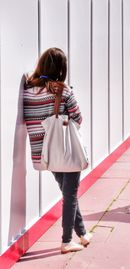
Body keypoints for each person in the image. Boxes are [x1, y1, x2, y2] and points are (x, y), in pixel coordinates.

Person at [23, 47, 93, 254]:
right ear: (62, 69)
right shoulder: (63, 90)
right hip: (65, 150)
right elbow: (78, 118)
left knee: (67, 192)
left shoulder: (28, 90)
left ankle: (83, 234)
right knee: (70, 194)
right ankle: (66, 241)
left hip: (44, 151)